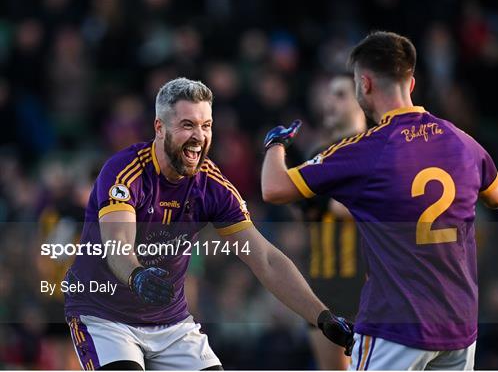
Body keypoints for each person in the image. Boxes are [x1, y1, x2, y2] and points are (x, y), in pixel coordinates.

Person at [63, 77, 352, 370]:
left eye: (206, 125)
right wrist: (138, 275)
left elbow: (265, 259)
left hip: (170, 324)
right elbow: (118, 247)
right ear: (159, 128)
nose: (199, 136)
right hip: (104, 316)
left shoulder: (211, 185)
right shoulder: (125, 171)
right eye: (187, 125)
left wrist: (322, 317)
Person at [261, 31, 498, 370]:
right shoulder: (460, 140)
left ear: (365, 83)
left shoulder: (365, 150)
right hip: (459, 327)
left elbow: (273, 189)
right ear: (412, 82)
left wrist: (275, 144)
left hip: (395, 326)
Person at [299, 73, 367, 370]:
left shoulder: (377, 150)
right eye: (329, 94)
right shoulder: (317, 156)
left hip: (368, 287)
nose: (330, 101)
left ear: (363, 100)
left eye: (340, 94)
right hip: (323, 286)